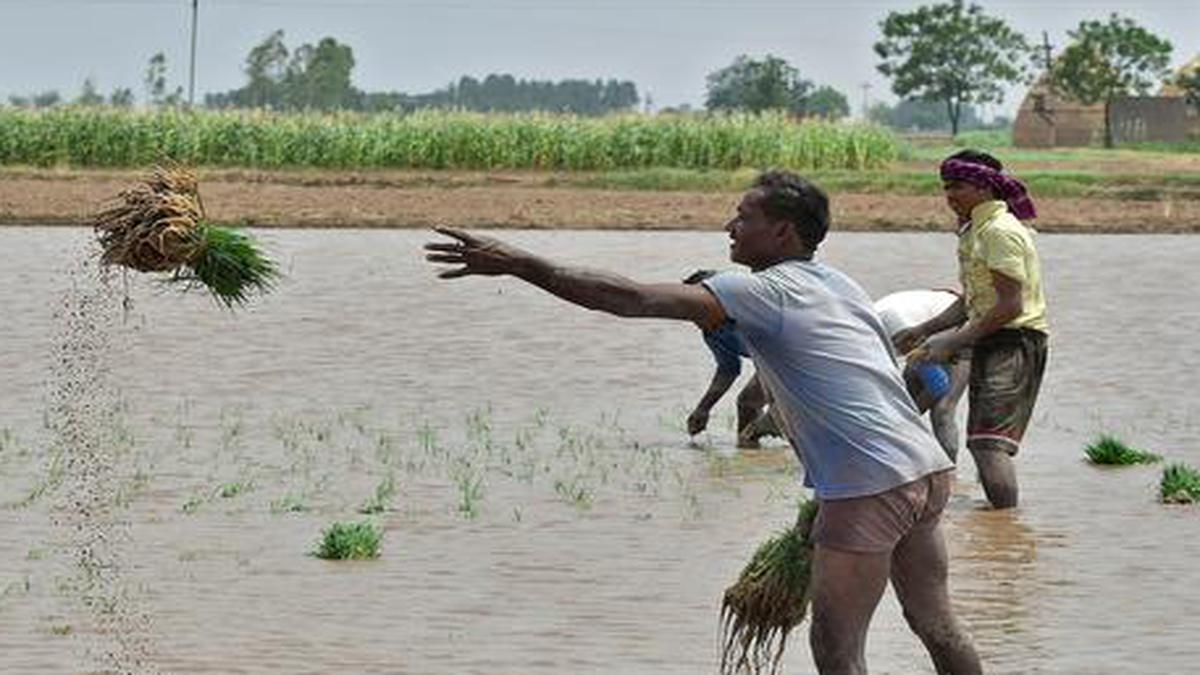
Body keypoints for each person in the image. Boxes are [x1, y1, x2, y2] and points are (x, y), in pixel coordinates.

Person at [425, 170, 982, 675]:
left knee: (837, 648)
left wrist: (522, 264)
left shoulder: (760, 290)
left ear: (784, 232)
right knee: (935, 624)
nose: (730, 226)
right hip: (924, 470)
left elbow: (631, 298)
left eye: (744, 217)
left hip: (870, 483)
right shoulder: (838, 284)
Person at [898, 150, 1049, 510]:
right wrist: (925, 329)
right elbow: (976, 299)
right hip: (992, 335)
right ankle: (999, 531)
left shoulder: (999, 231)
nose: (950, 195)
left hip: (1015, 340)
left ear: (984, 186)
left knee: (988, 443)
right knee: (984, 442)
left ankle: (1006, 524)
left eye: (958, 186)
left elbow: (1011, 305)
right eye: (946, 187)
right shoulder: (975, 231)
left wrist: (954, 339)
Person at [681, 269, 778, 448]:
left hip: (796, 357)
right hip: (771, 364)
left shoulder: (748, 315)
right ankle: (751, 458)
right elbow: (728, 370)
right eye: (688, 309)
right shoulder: (713, 331)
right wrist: (703, 409)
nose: (693, 316)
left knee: (775, 409)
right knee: (747, 403)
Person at [874, 289, 970, 462]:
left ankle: (948, 475)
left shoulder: (892, 324)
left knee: (942, 411)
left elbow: (938, 385)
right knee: (902, 404)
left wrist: (905, 419)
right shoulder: (864, 336)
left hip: (961, 325)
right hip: (925, 335)